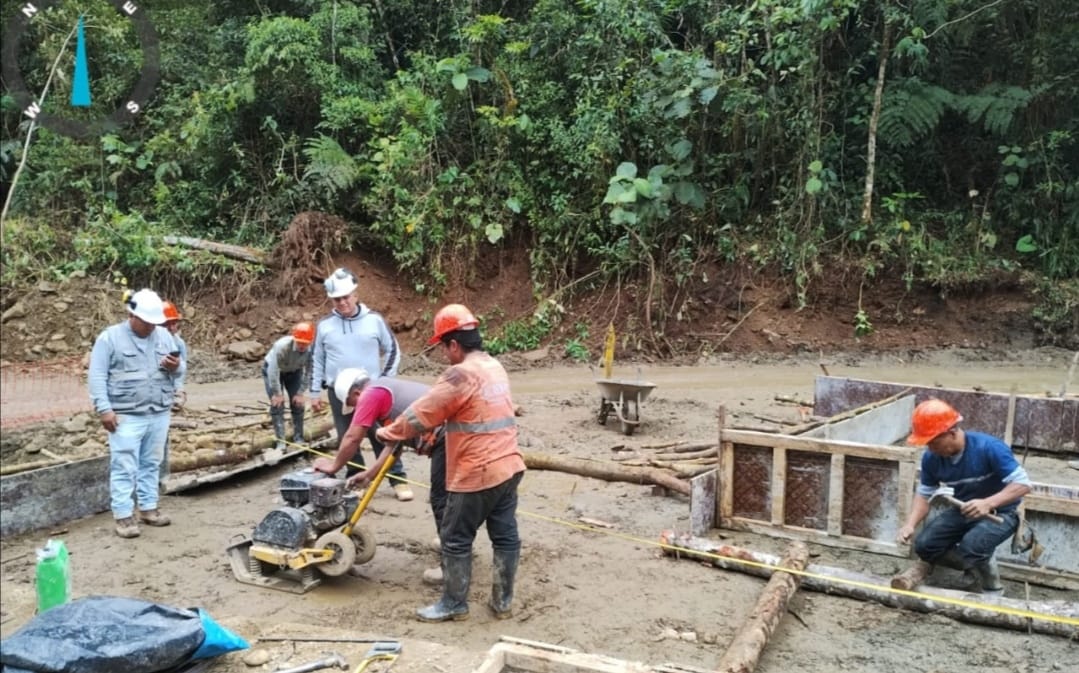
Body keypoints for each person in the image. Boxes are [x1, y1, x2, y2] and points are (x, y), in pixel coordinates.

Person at [373, 303, 525, 622]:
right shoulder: (494, 367)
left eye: (444, 347)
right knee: (505, 535)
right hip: (509, 465)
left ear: (454, 344)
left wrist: (388, 431)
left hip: (477, 472)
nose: (444, 354)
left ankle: (454, 603)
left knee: (455, 538)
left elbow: (422, 412)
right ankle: (502, 601)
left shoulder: (460, 374)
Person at [313, 368, 447, 583]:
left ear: (356, 393)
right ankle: (450, 540)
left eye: (352, 404)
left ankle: (451, 561)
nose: (356, 408)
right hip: (449, 435)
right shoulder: (386, 391)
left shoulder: (372, 394)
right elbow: (395, 442)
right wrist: (370, 473)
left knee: (442, 499)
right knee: (446, 497)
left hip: (448, 437)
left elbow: (352, 437)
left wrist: (333, 466)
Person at [897, 399, 1031, 595]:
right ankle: (972, 565)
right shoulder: (931, 458)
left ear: (952, 432)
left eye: (933, 442)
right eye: (927, 443)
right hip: (964, 509)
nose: (930, 448)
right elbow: (924, 494)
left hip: (1002, 512)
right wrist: (910, 524)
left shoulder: (989, 448)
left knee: (973, 547)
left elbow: (1024, 484)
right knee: (925, 546)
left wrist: (988, 503)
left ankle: (991, 586)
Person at [88, 288, 185, 539]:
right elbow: (97, 376)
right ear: (132, 314)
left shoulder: (164, 336)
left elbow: (180, 368)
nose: (152, 327)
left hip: (158, 411)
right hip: (126, 414)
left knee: (151, 463)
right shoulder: (109, 339)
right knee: (124, 465)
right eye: (147, 322)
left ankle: (148, 508)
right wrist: (104, 409)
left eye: (155, 323)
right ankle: (123, 515)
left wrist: (175, 368)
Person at [309, 267, 412, 501]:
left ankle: (397, 478)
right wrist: (315, 391)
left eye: (346, 297)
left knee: (383, 434)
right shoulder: (325, 326)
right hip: (339, 392)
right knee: (347, 435)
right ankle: (357, 476)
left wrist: (385, 380)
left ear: (355, 294)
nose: (342, 302)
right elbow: (316, 360)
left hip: (372, 391)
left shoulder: (374, 321)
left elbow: (393, 350)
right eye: (337, 299)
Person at [263, 321, 315, 449]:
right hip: (274, 371)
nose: (302, 346)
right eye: (300, 342)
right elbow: (273, 371)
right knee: (277, 404)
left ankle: (298, 438)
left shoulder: (312, 350)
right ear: (295, 339)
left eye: (305, 343)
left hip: (294, 371)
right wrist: (277, 393)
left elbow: (310, 372)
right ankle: (281, 442)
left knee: (298, 403)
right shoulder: (281, 346)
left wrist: (300, 392)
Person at [160, 301, 188, 482]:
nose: (171, 327)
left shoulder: (179, 343)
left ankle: (162, 472)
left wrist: (179, 391)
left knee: (162, 434)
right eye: (167, 323)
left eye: (174, 323)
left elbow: (181, 370)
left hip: (167, 392)